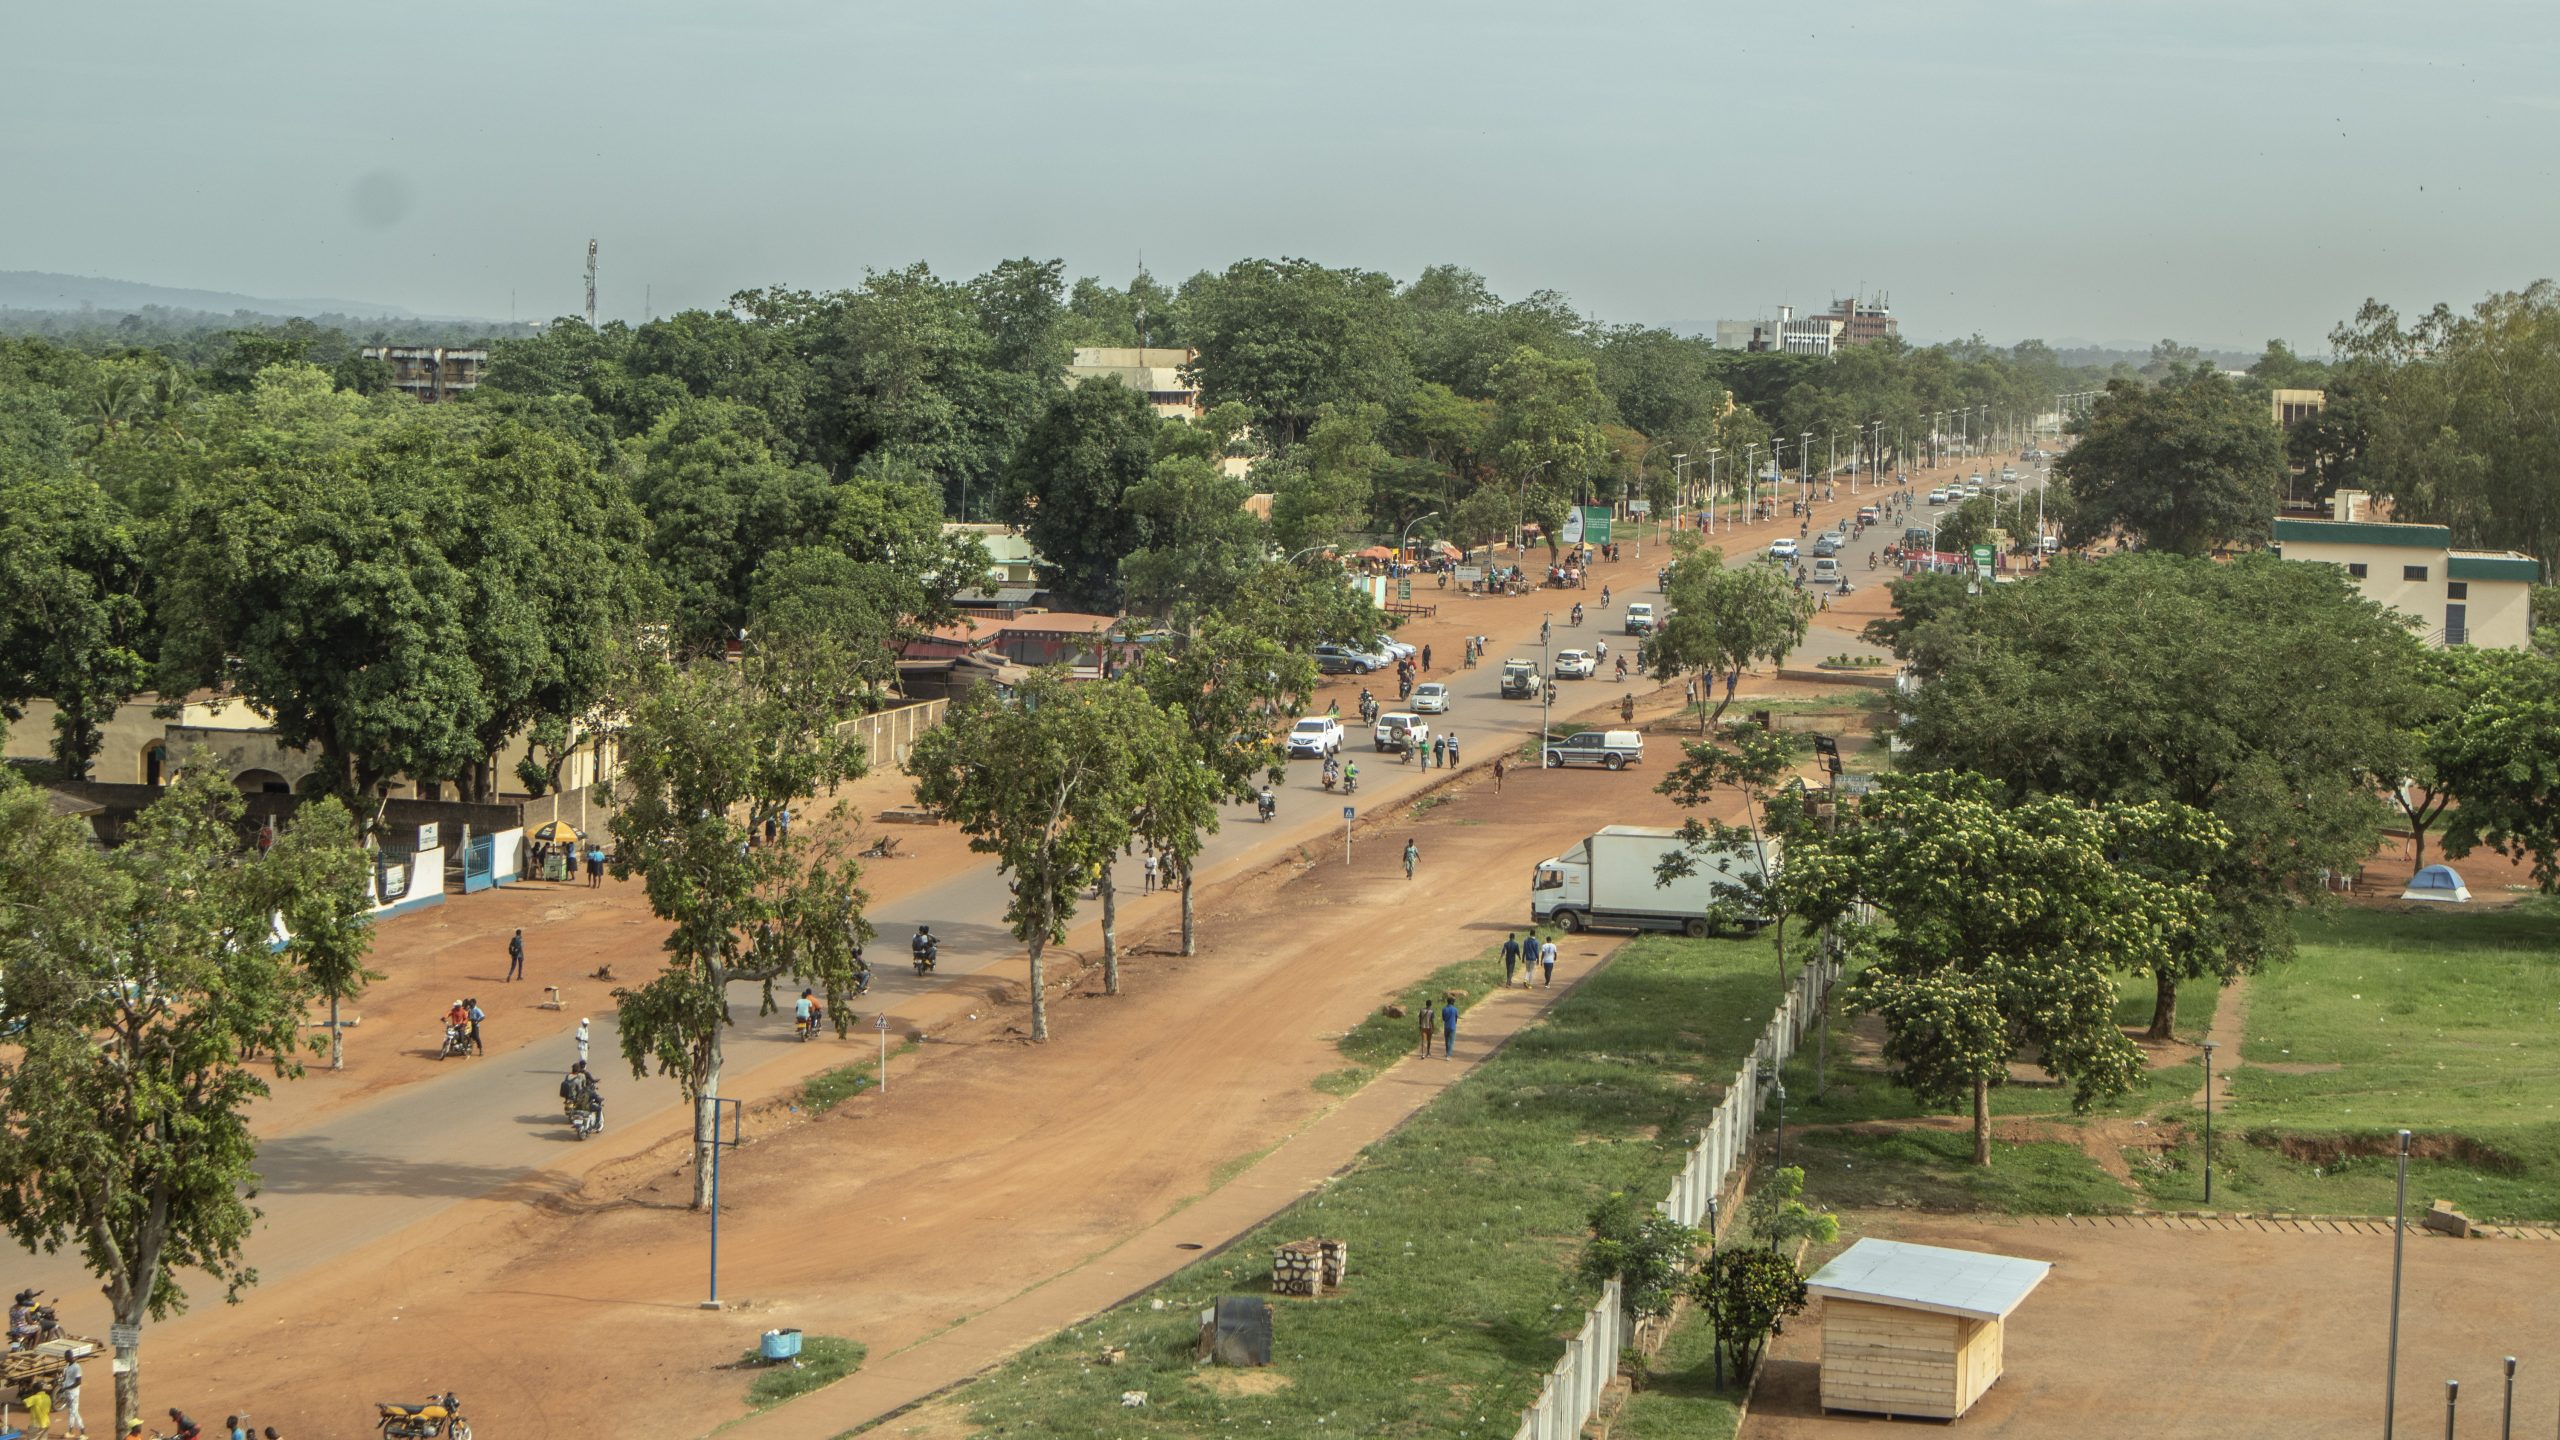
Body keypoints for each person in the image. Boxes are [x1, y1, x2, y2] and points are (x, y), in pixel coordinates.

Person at [59, 1354, 81, 1437]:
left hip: (74, 1393)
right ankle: (81, 1432)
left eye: (66, 1357)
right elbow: (65, 1378)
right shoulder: (67, 1366)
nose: (65, 1358)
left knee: (73, 1413)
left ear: (69, 1357)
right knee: (74, 1412)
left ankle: (72, 1432)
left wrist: (66, 1388)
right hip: (69, 1394)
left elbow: (78, 1382)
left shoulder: (77, 1367)